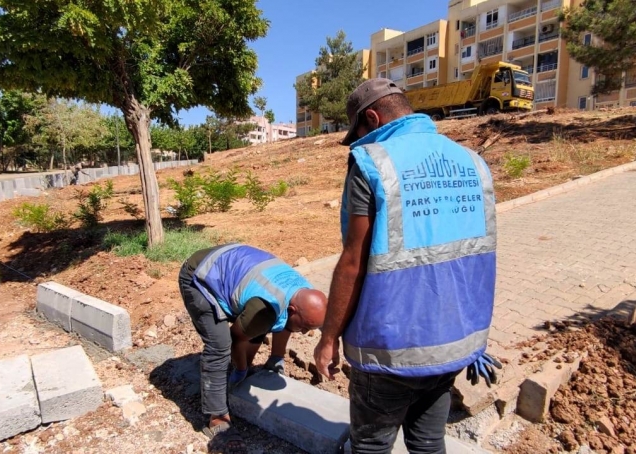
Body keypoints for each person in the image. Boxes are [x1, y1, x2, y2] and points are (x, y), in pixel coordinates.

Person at [313, 78, 501, 454]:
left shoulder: (373, 163)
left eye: (359, 133)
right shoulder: (472, 163)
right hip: (454, 342)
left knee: (371, 445)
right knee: (428, 441)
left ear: (372, 117)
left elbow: (353, 263)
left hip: (390, 348)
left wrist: (329, 339)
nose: (359, 143)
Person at [179, 244, 327, 454]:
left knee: (260, 324)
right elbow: (236, 339)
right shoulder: (265, 307)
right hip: (199, 276)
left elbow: (285, 322)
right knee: (219, 346)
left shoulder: (302, 292)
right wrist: (241, 369)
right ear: (293, 310)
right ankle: (218, 420)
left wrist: (276, 358)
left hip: (233, 265)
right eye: (304, 327)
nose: (304, 333)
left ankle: (248, 363)